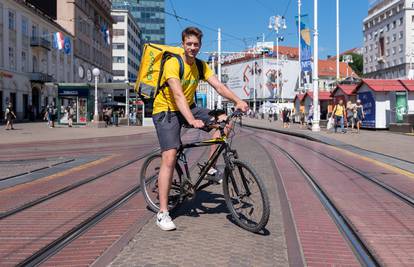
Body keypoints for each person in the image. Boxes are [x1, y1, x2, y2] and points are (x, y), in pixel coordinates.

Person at [152, 27, 248, 231]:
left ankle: (211, 168)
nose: (192, 48)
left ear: (200, 46)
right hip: (166, 110)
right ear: (183, 44)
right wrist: (191, 120)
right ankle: (163, 212)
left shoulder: (201, 66)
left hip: (189, 107)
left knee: (224, 120)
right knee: (169, 156)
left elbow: (219, 87)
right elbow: (177, 95)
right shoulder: (173, 63)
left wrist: (239, 100)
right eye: (189, 44)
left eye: (196, 44)